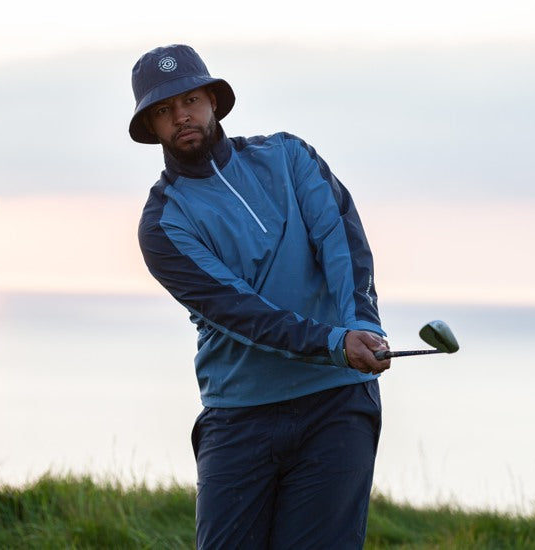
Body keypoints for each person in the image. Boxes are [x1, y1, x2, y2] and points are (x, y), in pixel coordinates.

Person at [131, 44, 391, 549]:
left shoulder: (288, 157)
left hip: (335, 403)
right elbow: (237, 311)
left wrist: (363, 323)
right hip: (238, 417)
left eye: (189, 100)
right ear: (151, 127)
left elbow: (342, 244)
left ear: (212, 100)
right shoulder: (164, 222)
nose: (180, 116)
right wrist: (335, 341)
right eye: (163, 110)